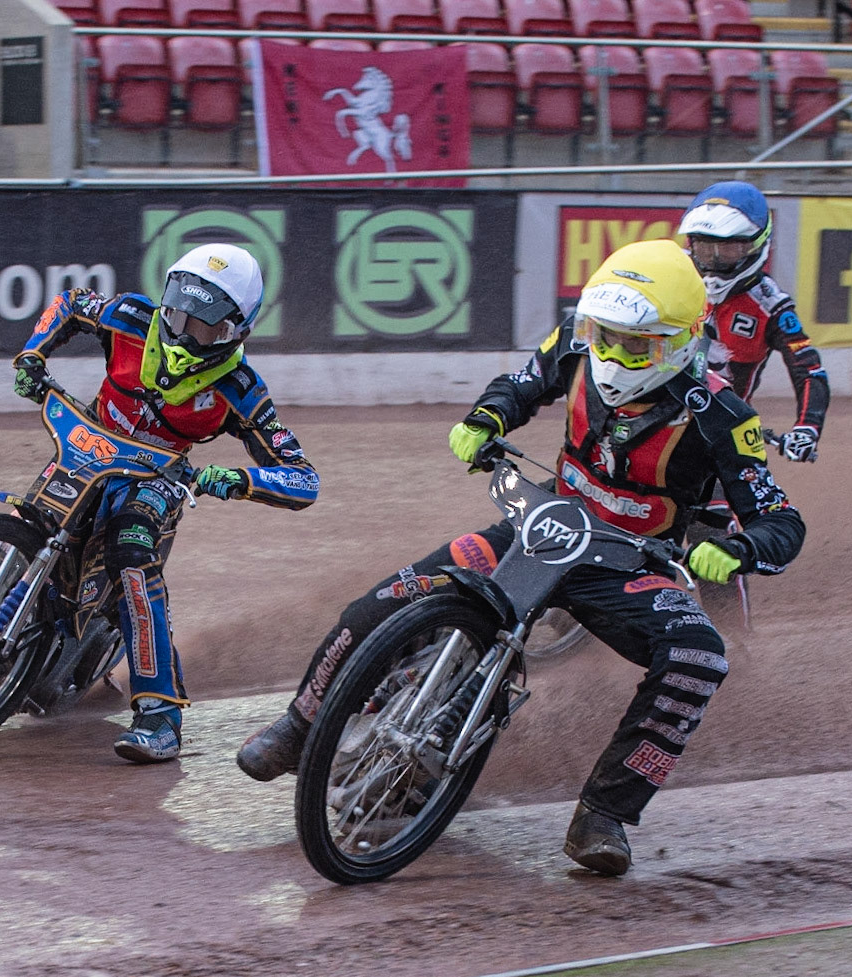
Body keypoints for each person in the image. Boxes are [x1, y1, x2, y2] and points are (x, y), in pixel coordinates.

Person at [236, 239, 805, 875]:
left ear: (680, 342)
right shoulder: (576, 342)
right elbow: (523, 383)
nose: (611, 355)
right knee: (388, 597)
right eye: (603, 335)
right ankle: (297, 727)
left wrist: (738, 548)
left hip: (625, 570)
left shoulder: (725, 416)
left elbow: (781, 521)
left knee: (699, 657)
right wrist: (486, 418)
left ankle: (605, 814)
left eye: (634, 346)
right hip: (538, 529)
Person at [12, 243, 318, 763]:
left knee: (133, 556)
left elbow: (304, 479)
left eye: (201, 325)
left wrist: (232, 478)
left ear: (234, 332)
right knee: (30, 518)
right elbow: (68, 303)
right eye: (177, 312)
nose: (181, 329)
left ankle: (160, 717)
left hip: (157, 478)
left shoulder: (240, 388)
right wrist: (32, 353)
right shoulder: (131, 315)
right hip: (89, 446)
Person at [680, 180, 829, 463]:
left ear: (756, 245)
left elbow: (809, 369)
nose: (713, 260)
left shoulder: (772, 307)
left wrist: (806, 429)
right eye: (704, 248)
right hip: (652, 416)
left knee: (742, 504)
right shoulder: (672, 277)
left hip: (722, 432)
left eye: (727, 250)